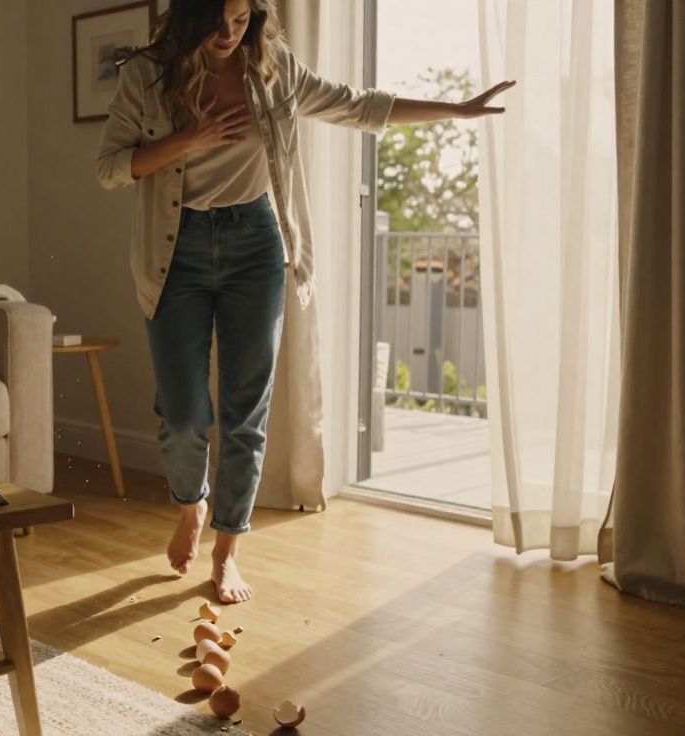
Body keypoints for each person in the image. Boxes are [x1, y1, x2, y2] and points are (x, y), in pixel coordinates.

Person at [96, 0, 513, 604]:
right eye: (217, 20)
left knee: (246, 408)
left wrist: (456, 109)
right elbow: (110, 168)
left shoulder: (274, 69)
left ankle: (227, 548)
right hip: (175, 249)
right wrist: (189, 139)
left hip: (256, 246)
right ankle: (191, 504)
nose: (228, 34)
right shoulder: (147, 75)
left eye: (241, 20)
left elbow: (359, 105)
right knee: (183, 414)